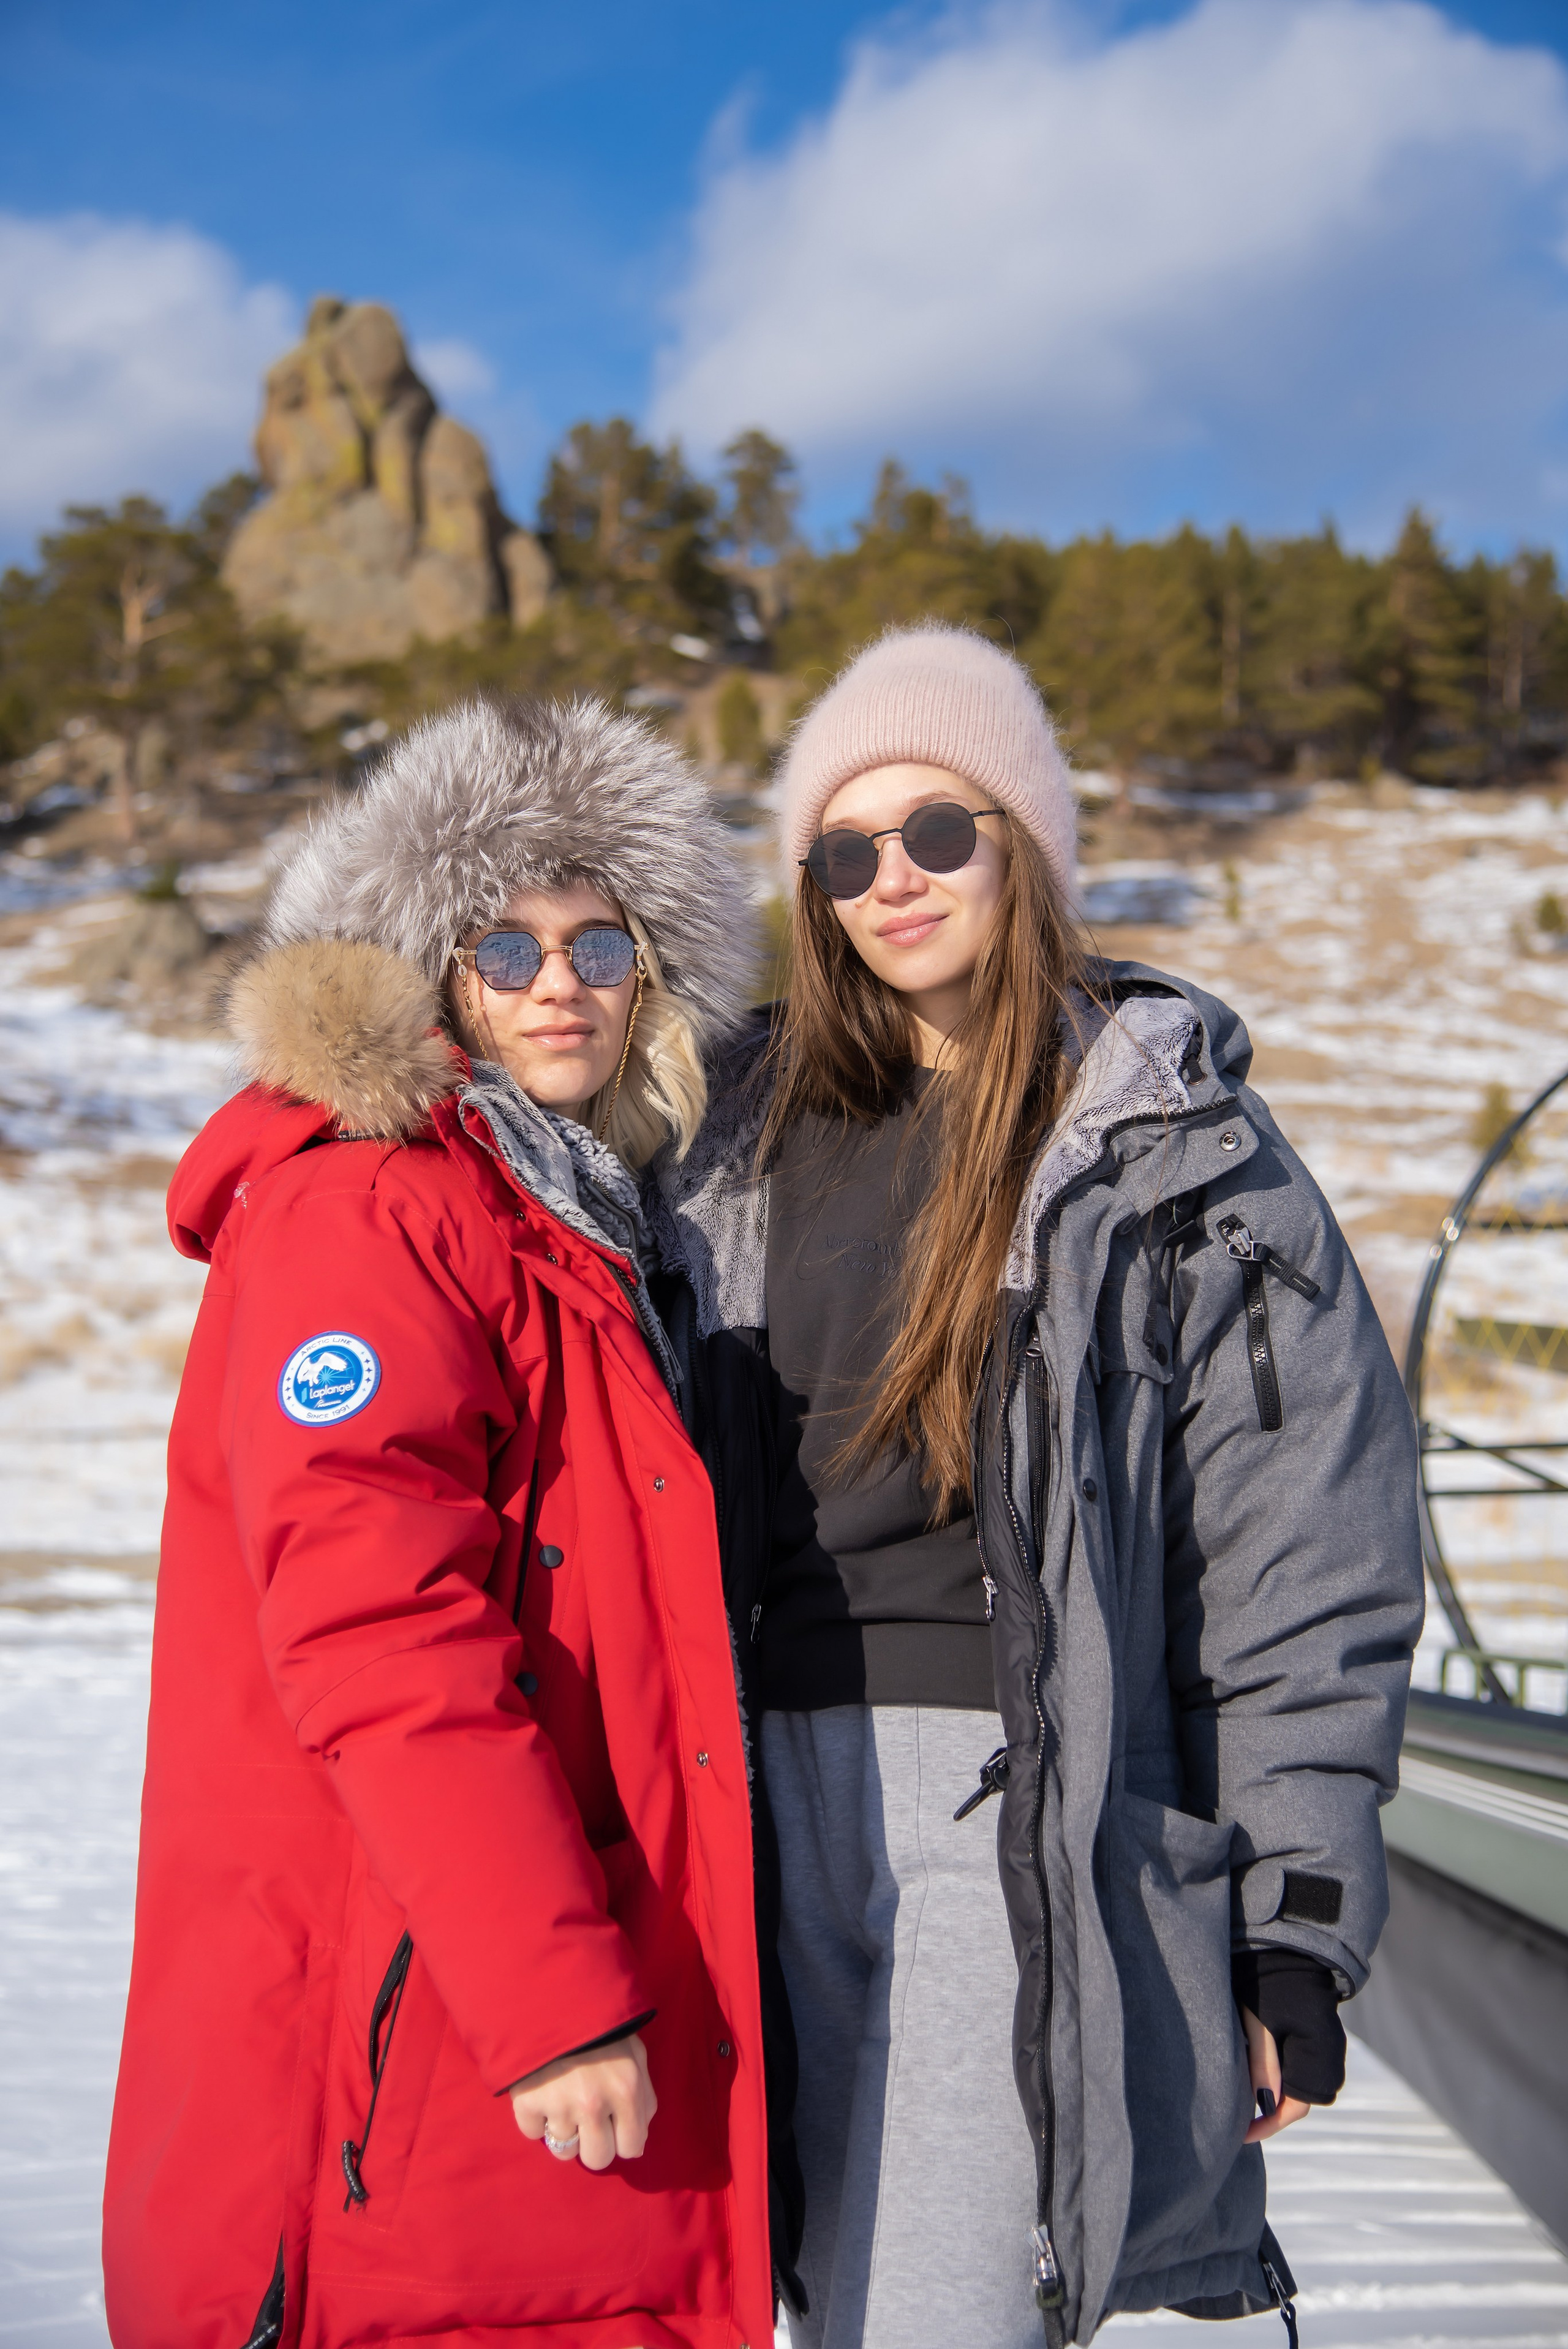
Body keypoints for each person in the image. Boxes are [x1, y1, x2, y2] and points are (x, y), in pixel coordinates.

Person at [647, 624, 1425, 2349]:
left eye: (940, 830)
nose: (892, 880)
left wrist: (1293, 1920)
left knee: (933, 2319)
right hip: (747, 1813)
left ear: (1029, 842)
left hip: (1015, 1818)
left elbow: (1305, 1558)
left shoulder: (1162, 1146)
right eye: (844, 853)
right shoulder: (725, 1135)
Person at [104, 696, 784, 2349]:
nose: (562, 980)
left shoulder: (560, 1221)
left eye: (602, 941)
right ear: (433, 973)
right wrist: (551, 1996)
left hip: (480, 2061)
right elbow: (377, 1626)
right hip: (418, 2055)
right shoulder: (373, 1206)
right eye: (505, 939)